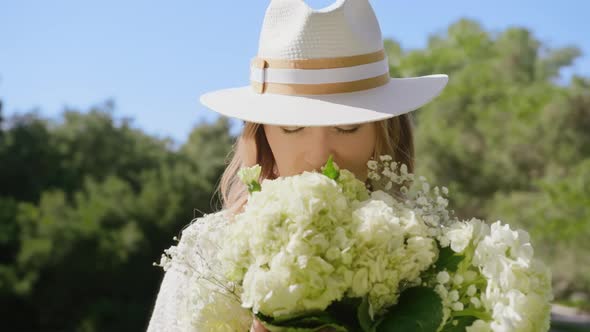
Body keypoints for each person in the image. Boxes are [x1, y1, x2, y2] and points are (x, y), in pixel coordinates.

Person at [147, 0, 448, 331]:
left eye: (348, 127)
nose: (319, 156)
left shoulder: (431, 253)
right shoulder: (206, 251)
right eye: (292, 128)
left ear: (385, 131)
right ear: (262, 135)